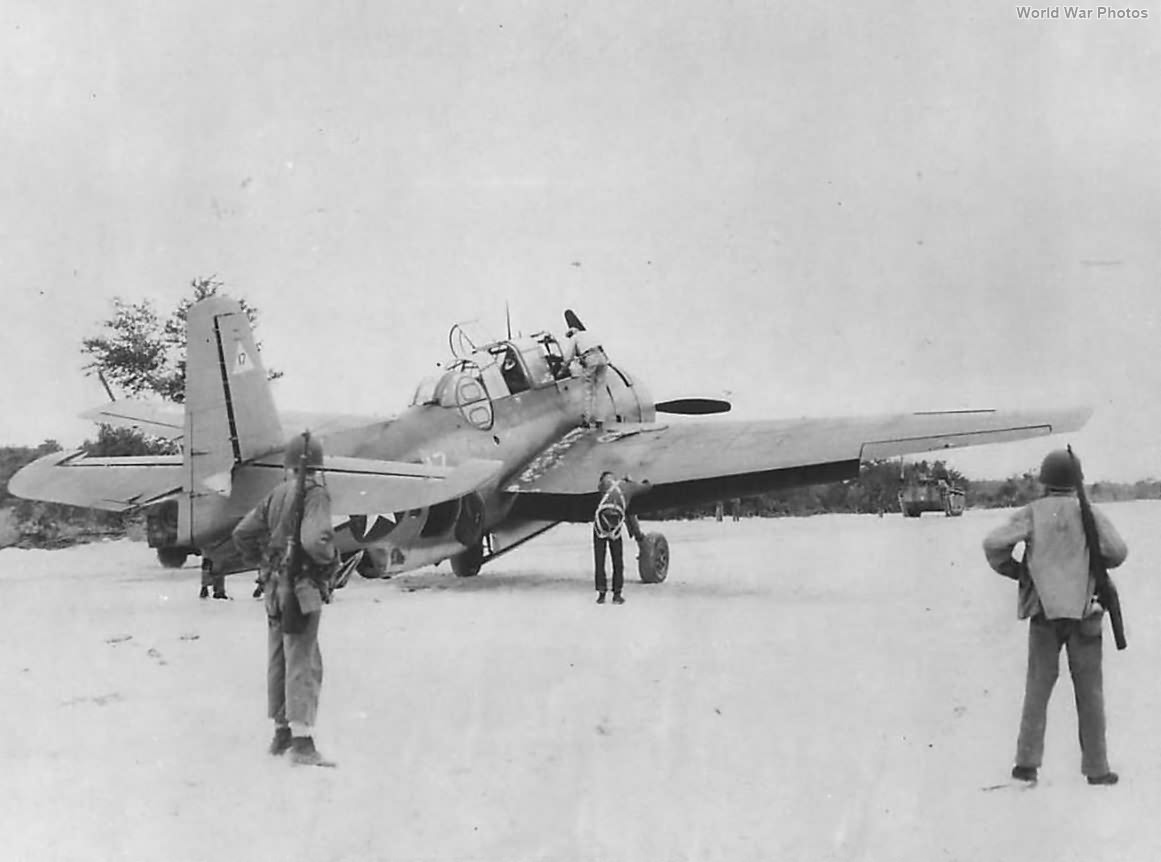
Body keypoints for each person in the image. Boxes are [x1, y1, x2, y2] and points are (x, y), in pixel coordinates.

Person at [982, 448, 1128, 786]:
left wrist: (1018, 572)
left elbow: (993, 544)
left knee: (1037, 688)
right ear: (1077, 481)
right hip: (1085, 612)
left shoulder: (1032, 512)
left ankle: (1026, 763)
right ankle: (1097, 769)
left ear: (1045, 481)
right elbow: (1118, 552)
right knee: (1090, 694)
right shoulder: (1089, 513)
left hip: (1044, 613)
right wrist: (1092, 564)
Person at [233, 432, 339, 767]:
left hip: (273, 588)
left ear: (288, 465)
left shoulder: (277, 493)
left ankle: (281, 734)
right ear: (317, 466)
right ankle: (303, 744)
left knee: (279, 657)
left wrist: (263, 560)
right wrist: (329, 559)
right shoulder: (315, 494)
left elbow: (242, 532)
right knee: (303, 660)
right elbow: (316, 539)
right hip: (302, 588)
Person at [592, 471, 650, 605]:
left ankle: (601, 595)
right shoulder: (628, 486)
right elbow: (646, 488)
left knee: (599, 560)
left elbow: (601, 486)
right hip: (615, 524)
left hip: (600, 524)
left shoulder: (604, 484)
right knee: (617, 560)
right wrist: (640, 482)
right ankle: (617, 595)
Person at [562, 312, 609, 427]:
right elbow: (601, 349)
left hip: (590, 359)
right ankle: (600, 420)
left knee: (587, 390)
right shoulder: (589, 334)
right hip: (602, 359)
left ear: (571, 333)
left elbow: (568, 357)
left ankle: (586, 420)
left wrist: (563, 369)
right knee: (600, 390)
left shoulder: (575, 338)